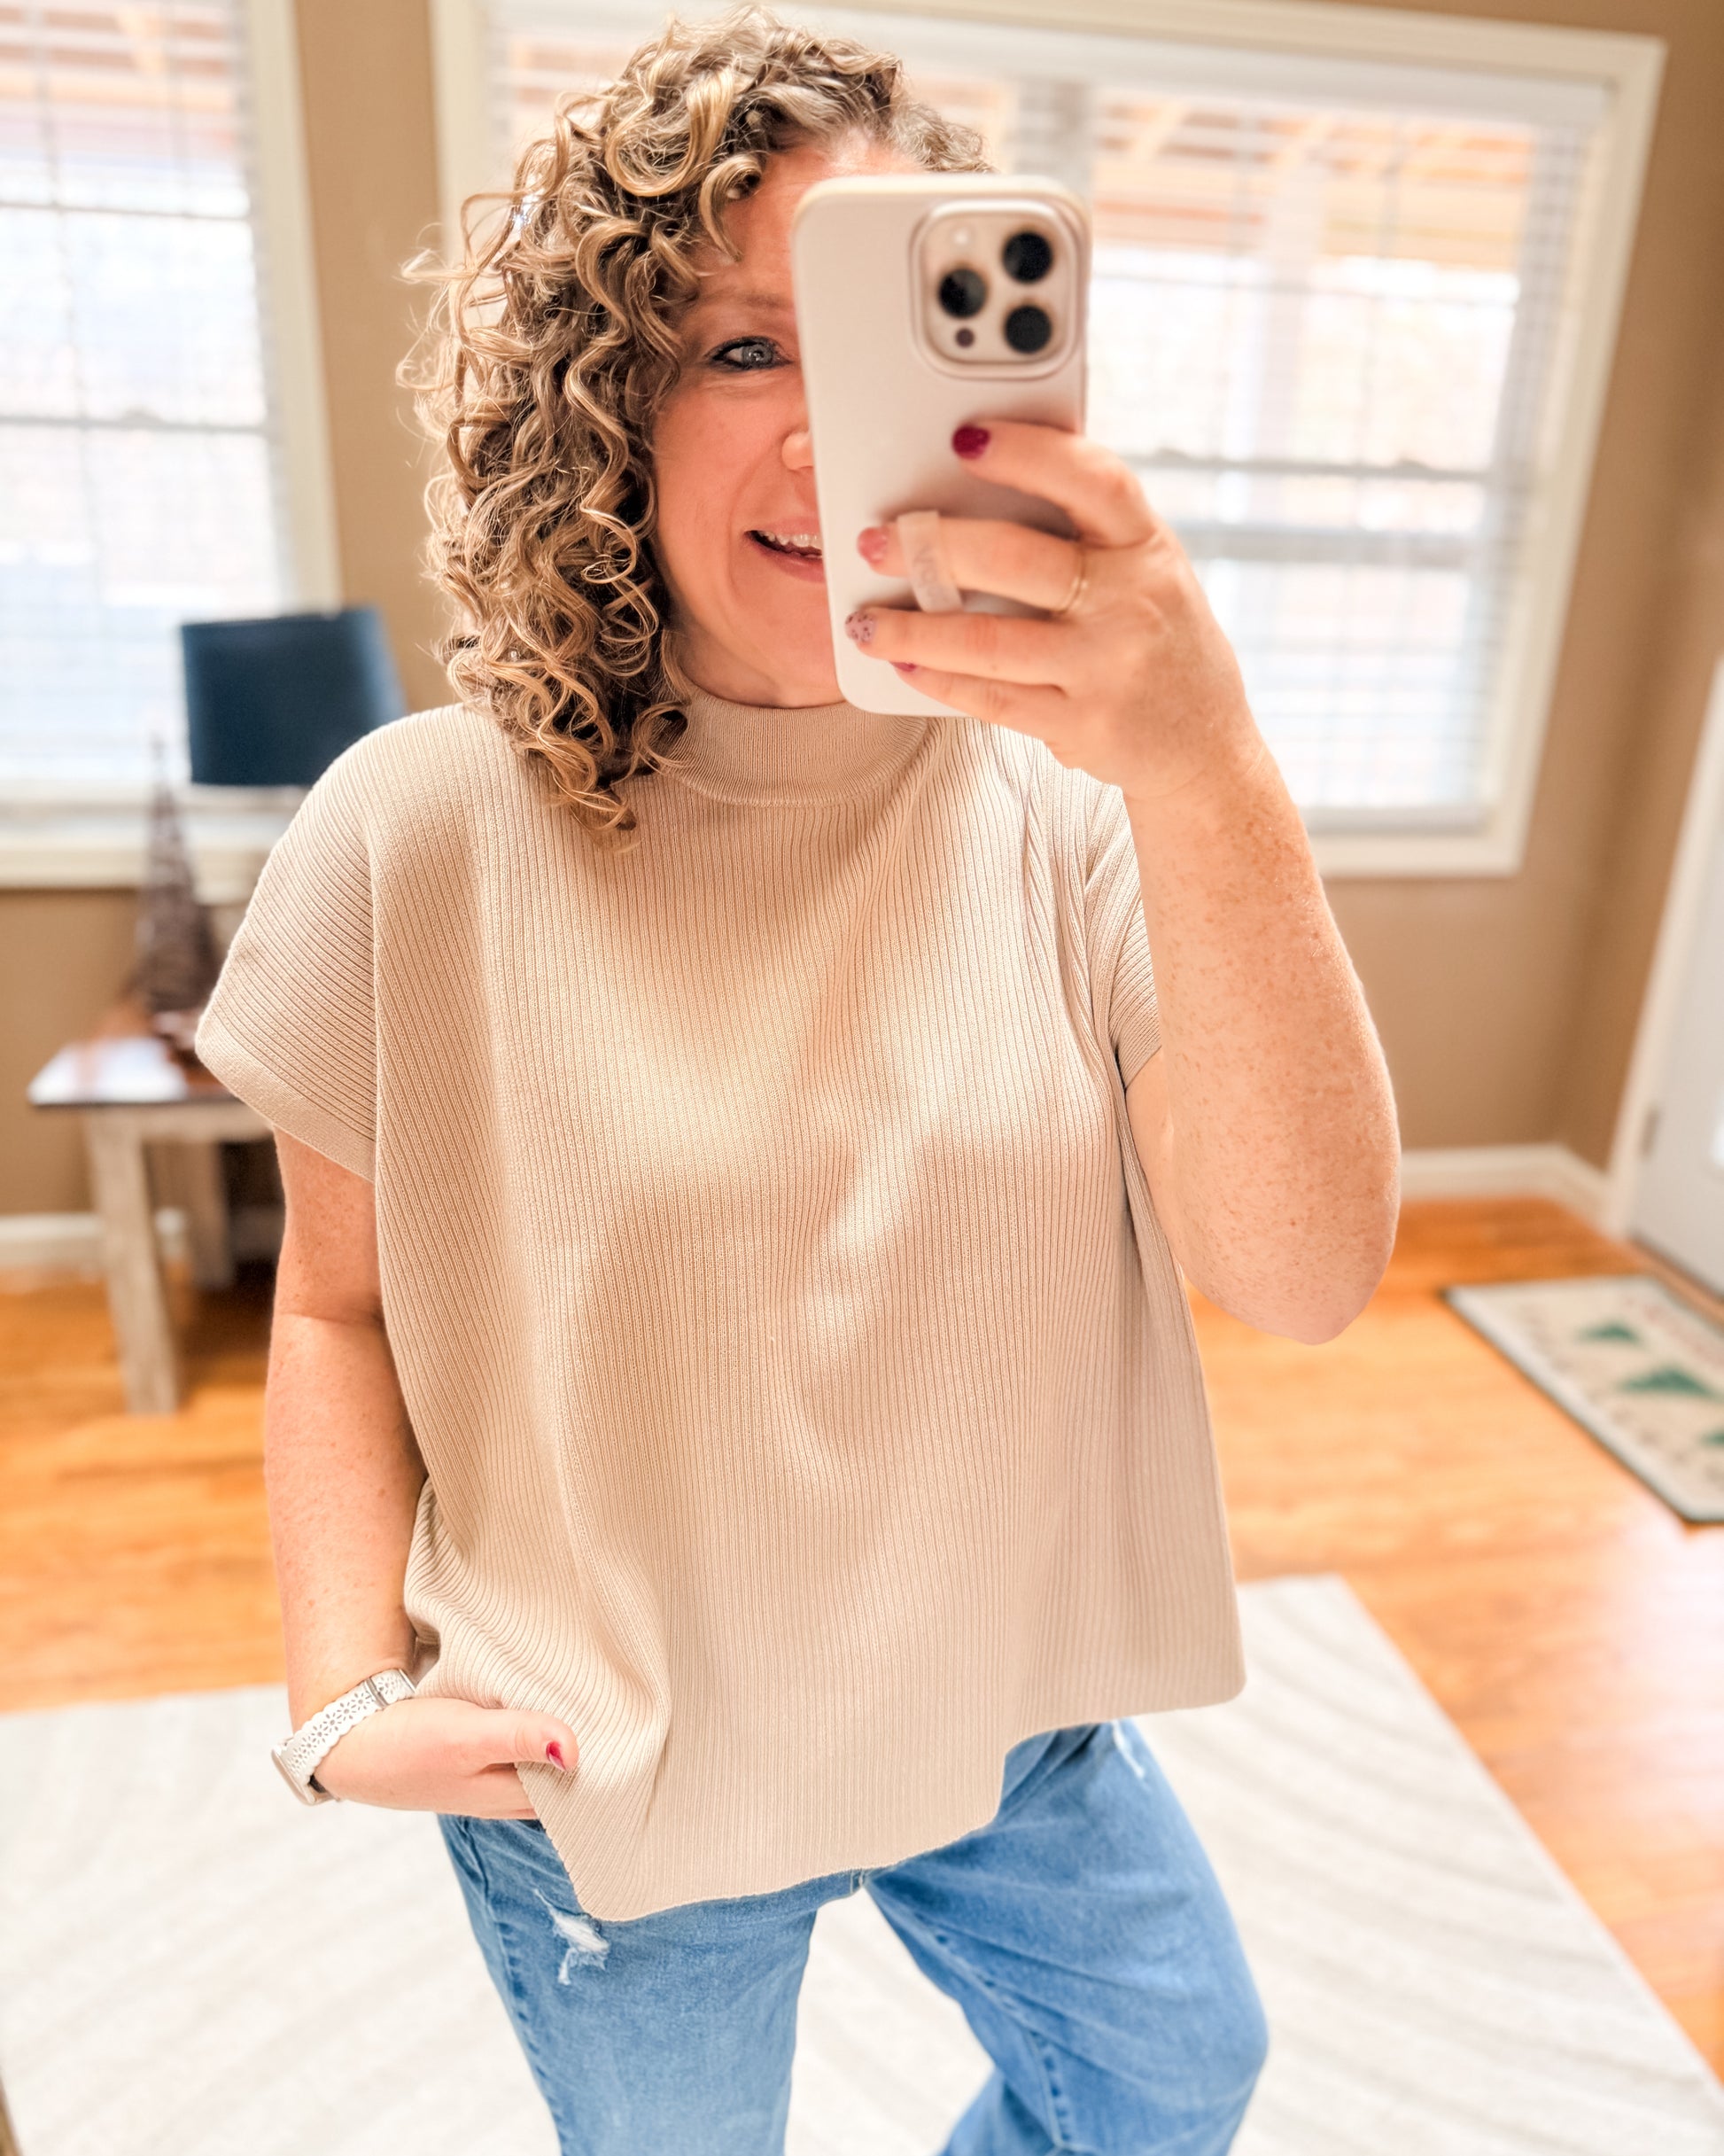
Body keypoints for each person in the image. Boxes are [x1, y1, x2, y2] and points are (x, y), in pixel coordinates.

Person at [196, 10, 1399, 2152]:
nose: (831, 436)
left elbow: (1302, 1277)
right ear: (604, 406)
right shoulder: (415, 831)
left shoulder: (1077, 807)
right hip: (617, 1769)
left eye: (882, 346)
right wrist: (335, 1695)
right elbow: (335, 1307)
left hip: (1005, 1723)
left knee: (1170, 2072)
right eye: (743, 349)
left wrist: (1205, 755)